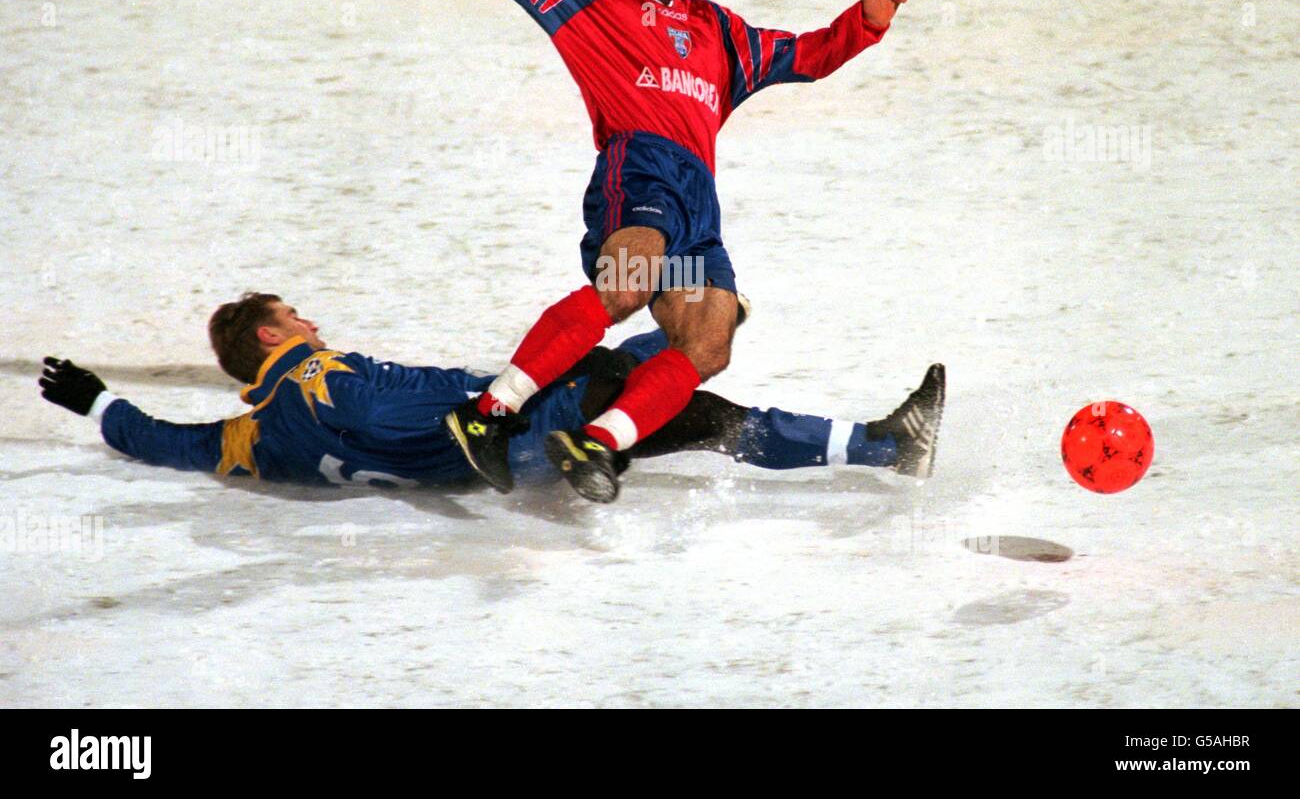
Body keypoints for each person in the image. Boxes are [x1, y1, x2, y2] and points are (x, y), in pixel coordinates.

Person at [368, 0, 914, 501]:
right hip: (642, 173)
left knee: (709, 340)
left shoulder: (717, 30)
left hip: (696, 212)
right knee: (625, 287)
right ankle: (486, 414)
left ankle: (597, 444)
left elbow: (805, 55)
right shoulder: (586, 2)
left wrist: (866, 22)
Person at [38, 293, 944, 500]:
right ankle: (881, 445)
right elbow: (394, 417)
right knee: (698, 383)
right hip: (518, 427)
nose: (312, 320)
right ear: (274, 336)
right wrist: (495, 416)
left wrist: (97, 403)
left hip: (495, 451)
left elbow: (164, 441)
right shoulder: (317, 374)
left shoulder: (251, 437)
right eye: (296, 314)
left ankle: (875, 443)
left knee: (688, 358)